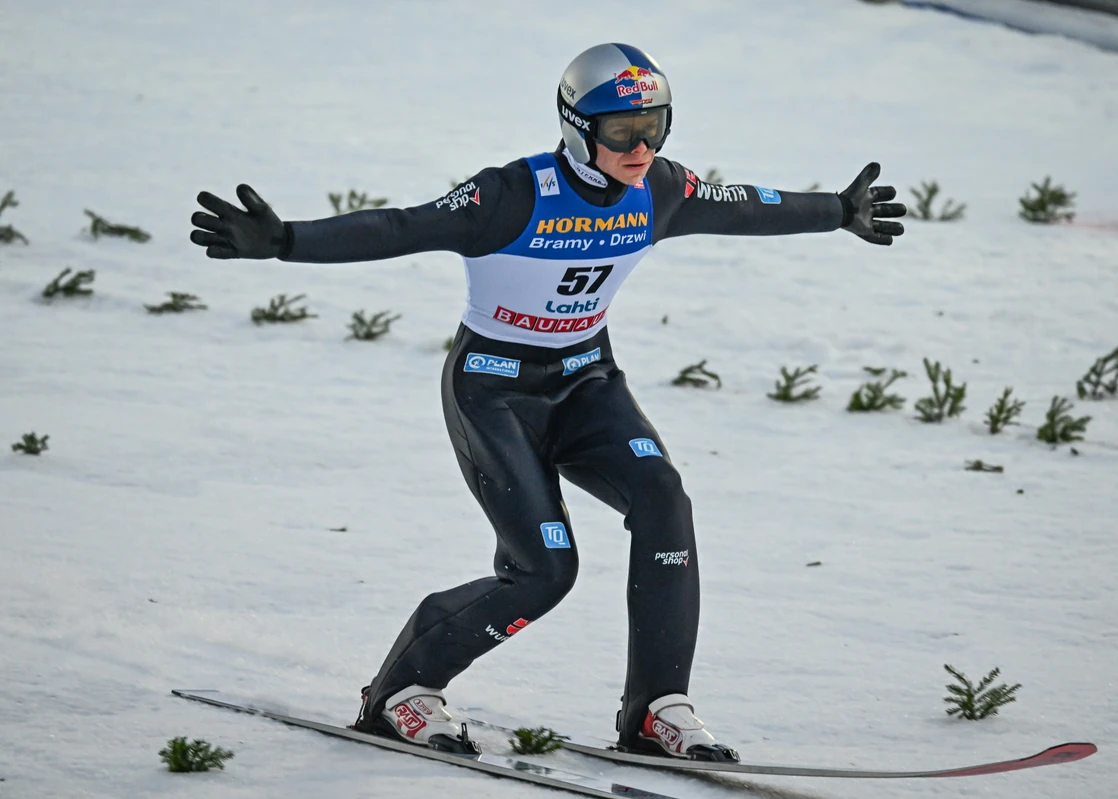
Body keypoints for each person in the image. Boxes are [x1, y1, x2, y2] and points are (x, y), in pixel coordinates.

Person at [189, 42, 906, 761]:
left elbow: (743, 205)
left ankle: (656, 706)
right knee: (544, 571)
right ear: (575, 127)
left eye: (656, 126)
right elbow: (402, 226)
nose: (642, 146)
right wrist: (285, 241)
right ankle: (401, 692)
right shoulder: (510, 196)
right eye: (622, 131)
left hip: (588, 382)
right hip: (493, 391)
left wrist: (837, 210)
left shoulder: (657, 188)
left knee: (664, 498)